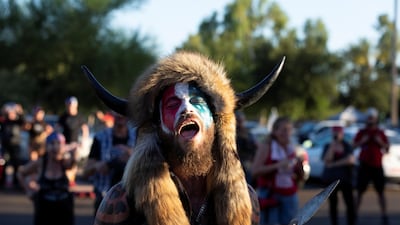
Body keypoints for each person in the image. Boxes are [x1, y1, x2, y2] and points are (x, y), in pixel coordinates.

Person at [81, 51, 285, 225]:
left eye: (197, 101)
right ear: (158, 126)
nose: (186, 109)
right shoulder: (122, 201)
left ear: (215, 122)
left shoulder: (245, 200)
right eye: (172, 105)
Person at [251, 116, 304, 225]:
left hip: (290, 195)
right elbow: (255, 171)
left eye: (289, 130)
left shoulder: (291, 148)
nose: (286, 133)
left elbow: (297, 174)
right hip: (271, 195)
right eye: (283, 130)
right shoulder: (267, 147)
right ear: (275, 131)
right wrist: (277, 165)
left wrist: (299, 167)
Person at [83, 112, 136, 216]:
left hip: (132, 198)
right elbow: (86, 172)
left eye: (123, 111)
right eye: (117, 111)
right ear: (112, 115)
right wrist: (98, 166)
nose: (120, 115)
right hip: (105, 198)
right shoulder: (100, 137)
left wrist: (132, 155)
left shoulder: (138, 137)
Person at [17, 131, 76, 225]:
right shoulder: (40, 163)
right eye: (52, 143)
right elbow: (20, 173)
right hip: (44, 210)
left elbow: (72, 167)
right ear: (47, 146)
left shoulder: (66, 163)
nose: (55, 147)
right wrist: (28, 190)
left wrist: (74, 155)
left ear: (64, 147)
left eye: (59, 143)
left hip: (63, 211)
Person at [353, 107, 389, 225]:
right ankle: (354, 215)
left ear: (376, 119)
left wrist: (380, 142)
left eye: (372, 118)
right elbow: (353, 145)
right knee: (359, 191)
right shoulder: (362, 132)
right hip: (364, 165)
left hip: (377, 166)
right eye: (369, 118)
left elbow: (387, 148)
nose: (370, 120)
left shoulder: (380, 132)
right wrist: (363, 141)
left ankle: (384, 215)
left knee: (381, 192)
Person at [322, 126, 356, 225]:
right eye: (335, 133)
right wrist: (332, 147)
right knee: (333, 204)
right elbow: (326, 159)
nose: (337, 135)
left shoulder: (347, 146)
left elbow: (350, 160)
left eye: (339, 133)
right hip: (331, 179)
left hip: (345, 179)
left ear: (342, 134)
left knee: (350, 204)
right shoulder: (328, 146)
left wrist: (333, 164)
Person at [58, 96, 90, 186]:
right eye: (68, 105)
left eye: (71, 105)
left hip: (75, 144)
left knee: (74, 160)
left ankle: (71, 179)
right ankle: (67, 179)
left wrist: (83, 141)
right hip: (65, 145)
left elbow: (85, 129)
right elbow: (57, 129)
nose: (70, 107)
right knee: (66, 160)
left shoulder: (79, 116)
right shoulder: (63, 116)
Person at [0, 102, 27, 188]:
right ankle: (2, 182)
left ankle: (16, 182)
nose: (11, 114)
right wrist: (3, 111)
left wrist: (20, 111)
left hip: (15, 145)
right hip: (6, 146)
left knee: (16, 164)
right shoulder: (4, 121)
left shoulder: (18, 122)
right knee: (4, 163)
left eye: (12, 112)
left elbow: (24, 121)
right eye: (9, 112)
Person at [235, 110, 257, 184]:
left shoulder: (248, 133)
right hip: (235, 165)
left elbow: (255, 148)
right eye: (238, 120)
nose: (240, 123)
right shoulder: (231, 133)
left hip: (247, 164)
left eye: (241, 120)